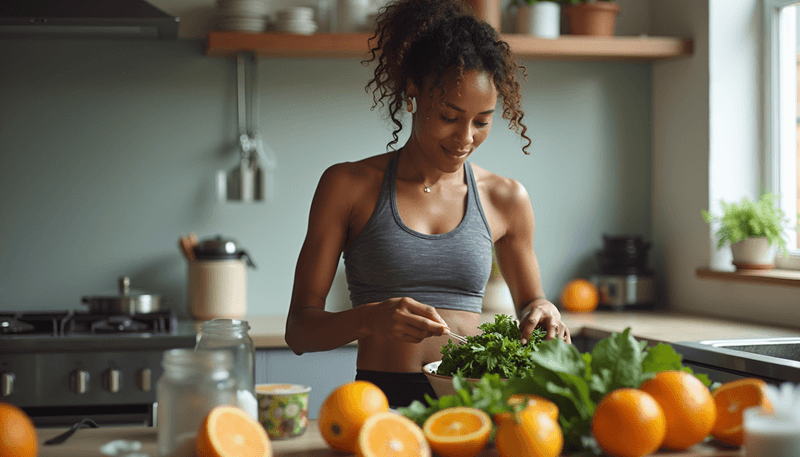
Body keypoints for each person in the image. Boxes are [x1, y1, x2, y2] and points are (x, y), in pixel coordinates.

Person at [285, 0, 571, 408]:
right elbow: (299, 331)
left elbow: (532, 302)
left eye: (482, 121)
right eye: (449, 116)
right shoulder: (347, 186)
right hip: (383, 400)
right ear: (413, 94)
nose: (464, 138)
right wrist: (370, 318)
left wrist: (545, 312)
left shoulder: (506, 198)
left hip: (475, 400)